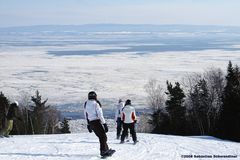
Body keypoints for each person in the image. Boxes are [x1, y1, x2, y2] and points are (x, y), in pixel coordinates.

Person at [84, 91, 115, 157]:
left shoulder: (86, 103)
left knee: (102, 136)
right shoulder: (96, 103)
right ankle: (103, 151)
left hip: (91, 122)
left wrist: (88, 124)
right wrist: (104, 124)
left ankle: (106, 149)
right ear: (95, 96)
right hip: (96, 122)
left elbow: (85, 114)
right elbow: (100, 115)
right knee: (103, 137)